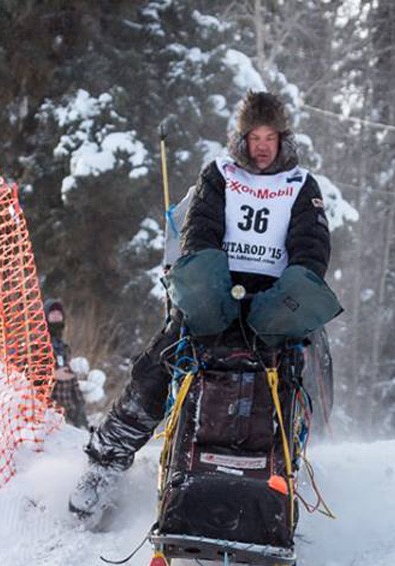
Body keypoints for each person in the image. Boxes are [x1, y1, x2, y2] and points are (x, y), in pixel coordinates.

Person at [69, 89, 338, 522]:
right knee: (161, 362)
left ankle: (284, 474)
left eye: (271, 136)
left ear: (283, 138)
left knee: (300, 369)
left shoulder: (302, 185)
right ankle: (105, 464)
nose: (262, 145)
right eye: (254, 136)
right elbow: (201, 233)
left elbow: (311, 250)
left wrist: (279, 301)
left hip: (274, 303)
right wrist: (212, 290)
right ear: (243, 137)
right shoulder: (220, 174)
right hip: (219, 294)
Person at [45, 297, 88, 429]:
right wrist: (53, 375)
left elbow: (71, 377)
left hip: (68, 411)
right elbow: (27, 375)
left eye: (59, 313)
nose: (57, 316)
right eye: (52, 313)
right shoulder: (39, 344)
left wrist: (80, 405)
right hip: (48, 411)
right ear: (45, 316)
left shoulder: (64, 346)